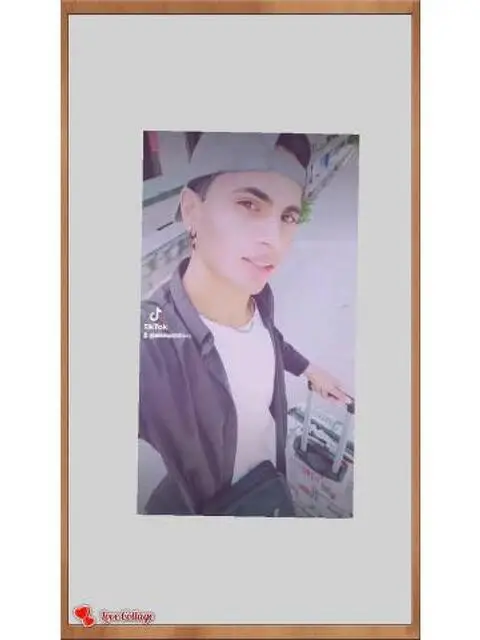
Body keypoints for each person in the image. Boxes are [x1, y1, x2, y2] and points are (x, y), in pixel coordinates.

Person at [138, 132, 350, 515]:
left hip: (271, 485)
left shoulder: (258, 296)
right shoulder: (153, 339)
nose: (275, 241)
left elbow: (266, 339)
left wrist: (308, 369)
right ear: (191, 210)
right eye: (249, 204)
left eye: (288, 216)